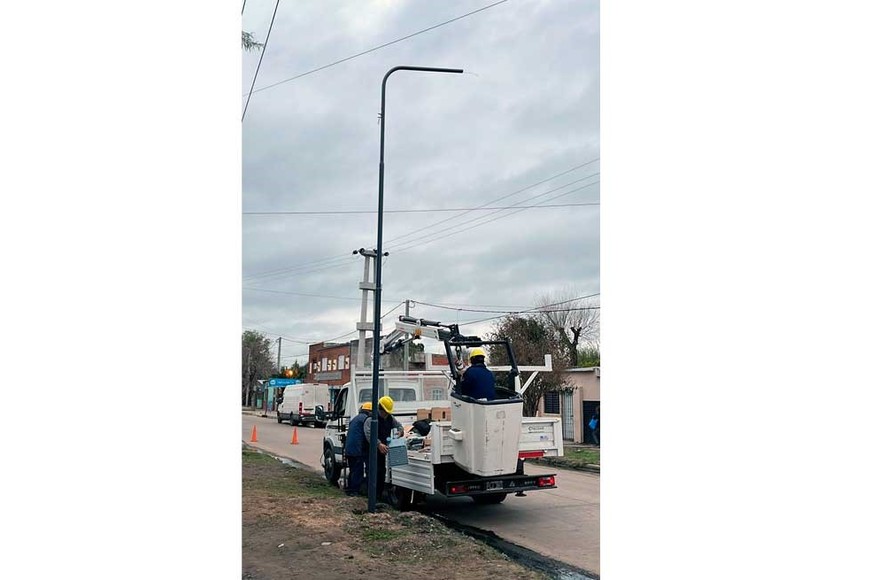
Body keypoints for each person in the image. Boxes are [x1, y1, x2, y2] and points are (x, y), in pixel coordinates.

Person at [363, 395, 404, 500]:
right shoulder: (371, 419)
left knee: (381, 472)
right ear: (380, 409)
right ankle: (371, 497)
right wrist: (378, 444)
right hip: (371, 451)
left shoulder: (390, 418)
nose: (386, 414)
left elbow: (399, 426)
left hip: (382, 452)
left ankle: (379, 496)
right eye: (384, 412)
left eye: (387, 412)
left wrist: (400, 432)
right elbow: (369, 434)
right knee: (372, 472)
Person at [343, 402, 372, 496]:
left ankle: (349, 489)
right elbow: (367, 435)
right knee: (357, 471)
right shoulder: (366, 420)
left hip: (350, 449)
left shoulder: (356, 418)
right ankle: (354, 491)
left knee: (353, 470)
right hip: (357, 450)